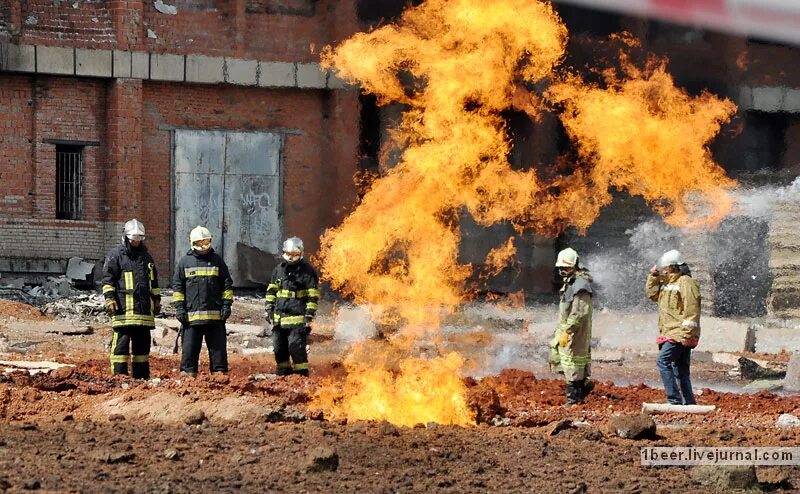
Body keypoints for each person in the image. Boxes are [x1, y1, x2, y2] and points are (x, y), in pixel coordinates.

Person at [101, 219, 161, 379]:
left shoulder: (146, 258)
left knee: (142, 349)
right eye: (133, 239)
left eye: (139, 239)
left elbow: (153, 282)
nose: (136, 242)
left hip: (143, 313)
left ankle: (141, 378)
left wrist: (156, 299)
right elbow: (108, 280)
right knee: (120, 347)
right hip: (123, 312)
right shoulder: (115, 256)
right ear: (125, 238)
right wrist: (109, 299)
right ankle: (119, 377)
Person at [172, 226, 233, 377]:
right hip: (191, 320)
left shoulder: (217, 261)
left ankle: (220, 379)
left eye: (206, 242)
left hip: (215, 319)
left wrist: (226, 306)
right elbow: (178, 289)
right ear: (193, 243)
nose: (203, 246)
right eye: (200, 243)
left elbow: (227, 285)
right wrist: (180, 308)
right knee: (189, 352)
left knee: (219, 354)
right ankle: (188, 379)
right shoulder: (184, 263)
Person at [646, 249, 701, 405]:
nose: (664, 270)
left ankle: (674, 400)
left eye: (666, 267)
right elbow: (652, 295)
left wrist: (687, 334)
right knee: (681, 370)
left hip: (678, 333)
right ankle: (689, 403)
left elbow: (691, 309)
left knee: (663, 362)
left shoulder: (685, 282)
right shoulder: (667, 283)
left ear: (674, 267)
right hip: (670, 332)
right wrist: (653, 277)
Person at [264, 236, 319, 376]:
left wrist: (309, 316)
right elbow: (272, 290)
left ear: (300, 254)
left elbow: (312, 296)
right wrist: (268, 307)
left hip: (297, 318)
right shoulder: (279, 270)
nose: (291, 257)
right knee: (279, 348)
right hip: (279, 318)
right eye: (288, 254)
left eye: (294, 255)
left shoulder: (308, 272)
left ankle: (301, 374)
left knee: (296, 347)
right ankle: (283, 372)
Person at [549, 247, 594, 407]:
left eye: (566, 267)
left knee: (572, 364)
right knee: (564, 359)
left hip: (574, 332)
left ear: (575, 265)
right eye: (561, 268)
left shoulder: (580, 285)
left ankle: (574, 398)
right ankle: (581, 391)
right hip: (566, 329)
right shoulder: (571, 282)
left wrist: (568, 331)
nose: (562, 271)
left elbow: (579, 313)